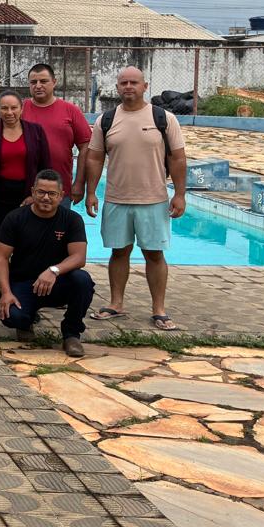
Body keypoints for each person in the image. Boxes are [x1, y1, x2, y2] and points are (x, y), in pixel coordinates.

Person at [85, 66, 187, 330]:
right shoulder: (106, 120)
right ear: (117, 88)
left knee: (154, 254)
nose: (128, 87)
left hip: (154, 199)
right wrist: (91, 192)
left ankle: (159, 309)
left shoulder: (163, 119)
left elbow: (178, 158)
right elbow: (94, 158)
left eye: (134, 82)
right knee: (119, 252)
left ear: (145, 86)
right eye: (123, 83)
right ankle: (116, 303)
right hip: (117, 198)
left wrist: (180, 194)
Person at [0, 169, 95, 357]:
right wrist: (6, 292)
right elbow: (1, 257)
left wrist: (54, 270)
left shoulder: (71, 219)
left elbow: (79, 257)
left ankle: (71, 334)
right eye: (41, 192)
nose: (46, 198)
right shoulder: (15, 218)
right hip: (24, 282)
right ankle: (26, 322)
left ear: (61, 195)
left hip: (57, 282)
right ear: (33, 192)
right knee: (11, 316)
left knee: (82, 280)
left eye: (52, 193)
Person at [0, 91, 50, 295]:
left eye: (13, 107)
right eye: (4, 108)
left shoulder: (35, 131)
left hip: (26, 194)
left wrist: (35, 195)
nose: (9, 112)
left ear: (21, 109)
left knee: (25, 237)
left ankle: (21, 277)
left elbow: (45, 167)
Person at [21, 63, 92, 206]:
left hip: (60, 190)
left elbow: (86, 146)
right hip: (24, 188)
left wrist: (79, 182)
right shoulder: (20, 109)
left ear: (54, 82)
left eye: (43, 81)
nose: (38, 86)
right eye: (33, 82)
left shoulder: (71, 110)